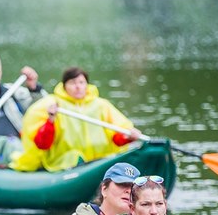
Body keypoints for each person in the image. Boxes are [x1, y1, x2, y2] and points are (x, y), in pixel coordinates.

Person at [12, 67, 142, 173]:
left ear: (87, 84)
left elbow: (116, 138)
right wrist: (51, 119)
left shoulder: (101, 105)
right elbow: (42, 144)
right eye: (73, 83)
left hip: (100, 159)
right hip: (66, 162)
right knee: (74, 157)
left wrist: (129, 137)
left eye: (81, 82)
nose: (78, 87)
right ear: (64, 86)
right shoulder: (51, 104)